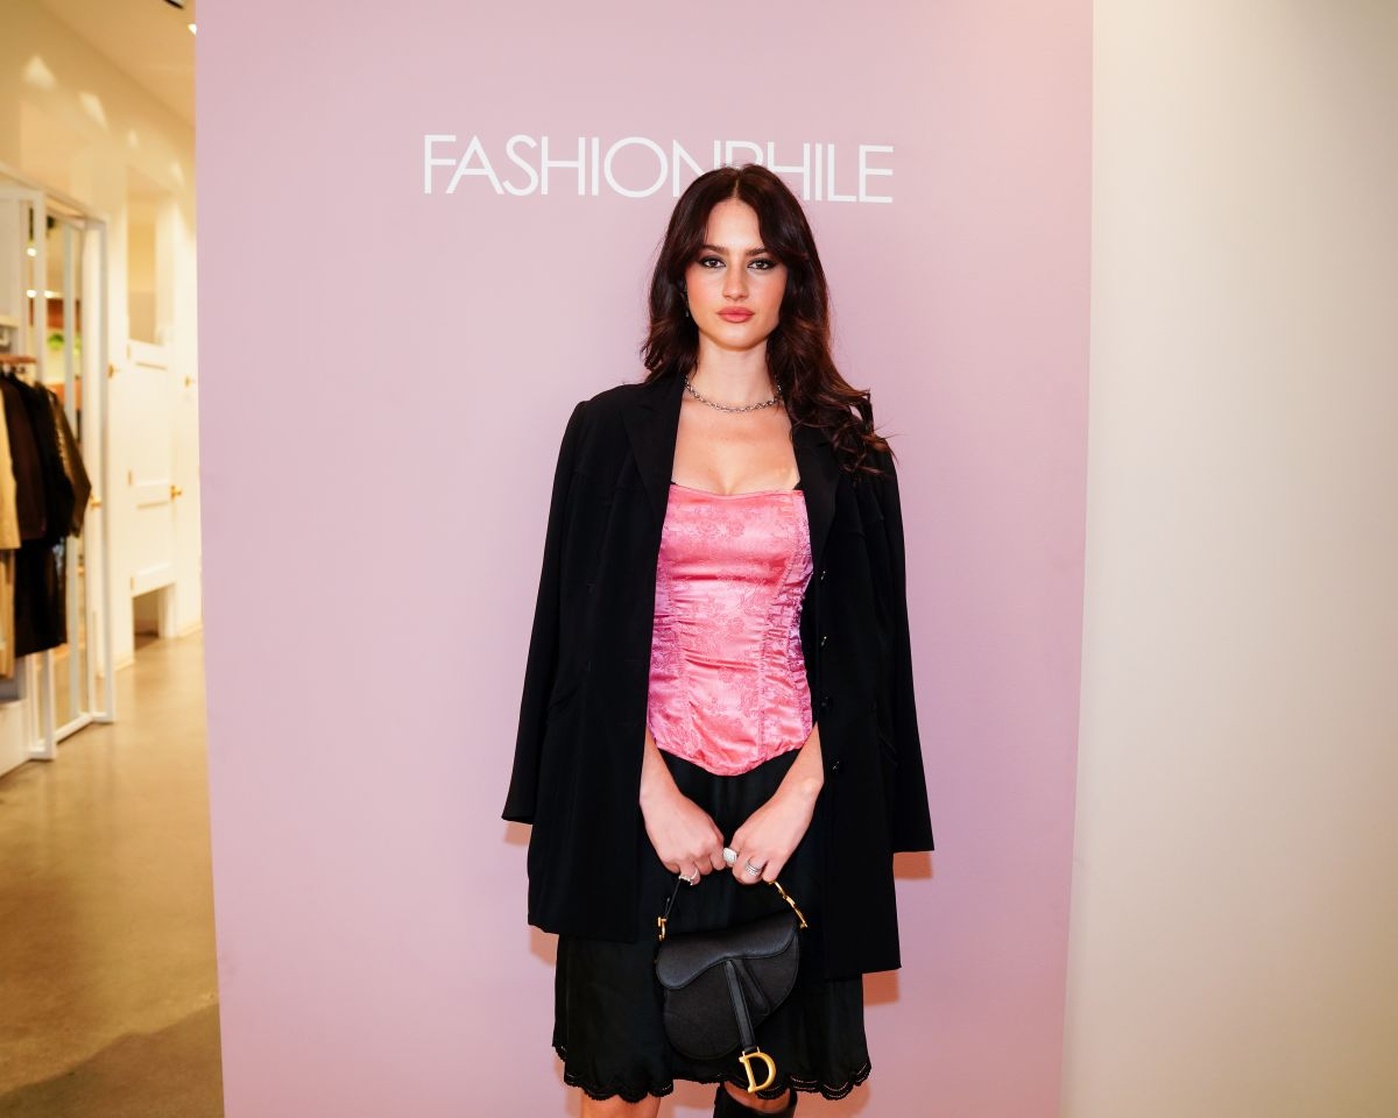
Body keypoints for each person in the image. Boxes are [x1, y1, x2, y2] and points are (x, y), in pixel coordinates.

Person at [504, 163, 933, 1117]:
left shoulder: (849, 450)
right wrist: (651, 792)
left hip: (790, 800)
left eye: (761, 261)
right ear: (680, 277)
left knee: (764, 1088)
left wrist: (799, 799)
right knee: (619, 1088)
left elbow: (873, 660)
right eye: (711, 260)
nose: (735, 286)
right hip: (637, 792)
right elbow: (576, 644)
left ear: (794, 281)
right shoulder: (605, 432)